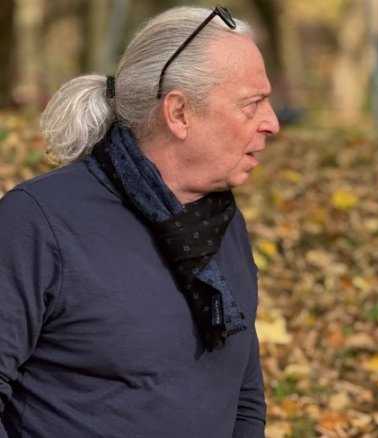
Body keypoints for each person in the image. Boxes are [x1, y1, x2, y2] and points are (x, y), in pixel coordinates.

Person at [0, 5, 279, 438]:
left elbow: (242, 395)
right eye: (252, 104)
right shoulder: (38, 222)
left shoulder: (220, 222)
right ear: (179, 113)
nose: (272, 123)